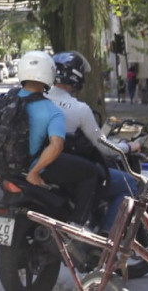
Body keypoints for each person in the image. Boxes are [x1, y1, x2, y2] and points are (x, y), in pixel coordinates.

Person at [49, 51, 139, 233]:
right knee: (129, 183)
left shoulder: (36, 100)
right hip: (69, 173)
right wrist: (129, 146)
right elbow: (104, 148)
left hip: (40, 169)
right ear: (77, 77)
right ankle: (107, 237)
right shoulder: (79, 109)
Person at [16, 51, 101, 227]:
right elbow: (56, 146)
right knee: (91, 171)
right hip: (39, 164)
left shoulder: (15, 98)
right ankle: (77, 225)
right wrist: (35, 171)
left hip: (14, 162)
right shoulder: (65, 109)